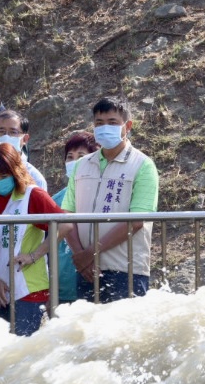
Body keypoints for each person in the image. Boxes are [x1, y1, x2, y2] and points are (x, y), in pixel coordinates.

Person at [61, 96, 160, 302]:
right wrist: (81, 255)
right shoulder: (82, 165)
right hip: (87, 270)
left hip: (125, 270)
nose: (105, 127)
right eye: (99, 123)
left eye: (112, 122)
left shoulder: (143, 165)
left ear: (128, 126)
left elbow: (137, 220)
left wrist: (91, 252)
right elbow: (67, 214)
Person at [0, 143, 72, 336]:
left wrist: (34, 255)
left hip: (28, 287)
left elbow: (65, 225)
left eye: (4, 176)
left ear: (15, 171)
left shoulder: (33, 195)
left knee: (23, 351)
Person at [51, 130, 98, 305]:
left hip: (93, 278)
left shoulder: (100, 196)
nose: (74, 162)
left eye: (81, 156)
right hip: (62, 287)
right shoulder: (55, 200)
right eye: (69, 157)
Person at [0, 109, 47, 192]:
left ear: (25, 139)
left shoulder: (36, 179)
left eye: (13, 132)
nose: (6, 136)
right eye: (1, 131)